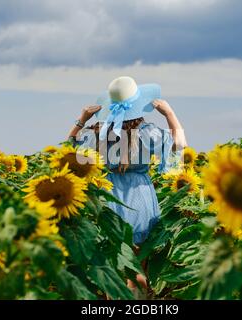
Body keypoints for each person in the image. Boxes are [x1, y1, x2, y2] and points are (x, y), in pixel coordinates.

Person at [67, 76, 187, 297]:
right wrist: (169, 114)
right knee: (138, 263)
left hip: (107, 195)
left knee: (111, 264)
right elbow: (178, 147)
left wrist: (82, 118)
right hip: (139, 196)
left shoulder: (97, 134)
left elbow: (71, 149)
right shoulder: (147, 132)